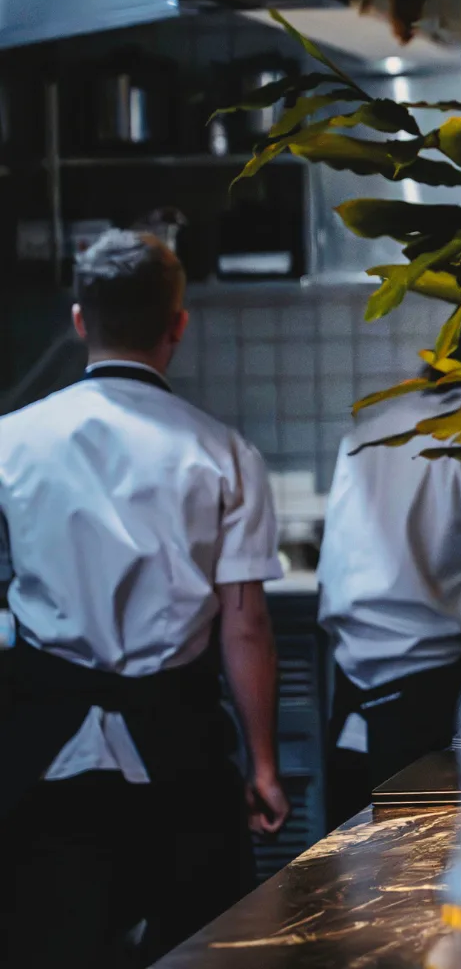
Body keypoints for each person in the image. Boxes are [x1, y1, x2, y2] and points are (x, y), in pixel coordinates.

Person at [0, 229, 289, 968]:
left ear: (78, 321)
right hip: (180, 757)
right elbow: (246, 626)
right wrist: (262, 765)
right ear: (178, 325)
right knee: (203, 953)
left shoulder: (11, 441)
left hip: (42, 757)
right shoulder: (224, 452)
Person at [317, 372, 461, 827]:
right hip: (432, 701)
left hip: (352, 690)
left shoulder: (365, 434)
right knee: (421, 874)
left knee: (349, 877)